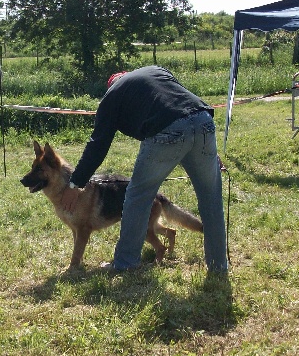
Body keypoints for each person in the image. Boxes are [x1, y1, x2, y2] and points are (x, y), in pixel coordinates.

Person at [62, 66, 228, 274]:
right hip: (203, 121)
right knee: (211, 199)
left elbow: (98, 144)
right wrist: (211, 155)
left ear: (111, 85)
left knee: (137, 196)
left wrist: (76, 182)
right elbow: (182, 106)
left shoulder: (112, 95)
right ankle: (219, 266)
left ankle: (125, 263)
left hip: (166, 132)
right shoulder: (157, 72)